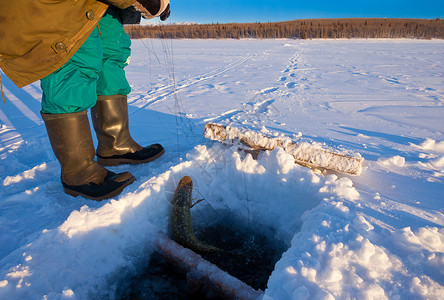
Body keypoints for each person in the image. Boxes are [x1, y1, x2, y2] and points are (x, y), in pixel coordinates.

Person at [0, 0, 171, 200]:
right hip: (62, 5)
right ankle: (79, 170)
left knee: (112, 53)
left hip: (106, 5)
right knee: (74, 58)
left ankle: (116, 143)